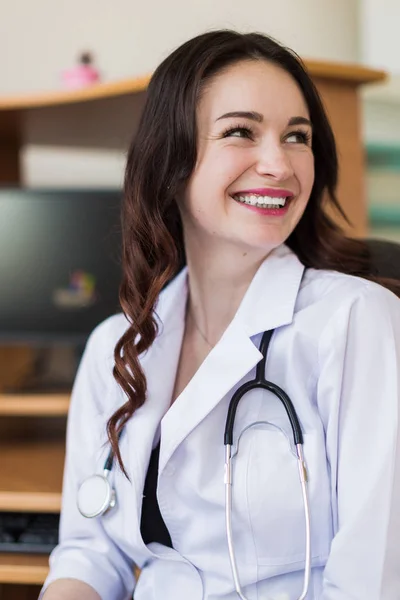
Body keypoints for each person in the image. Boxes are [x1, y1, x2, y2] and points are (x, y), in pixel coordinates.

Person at [40, 30, 400, 600]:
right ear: (171, 161)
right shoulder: (117, 349)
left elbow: (373, 582)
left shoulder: (357, 322)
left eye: (297, 137)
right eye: (240, 132)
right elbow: (91, 554)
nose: (278, 163)